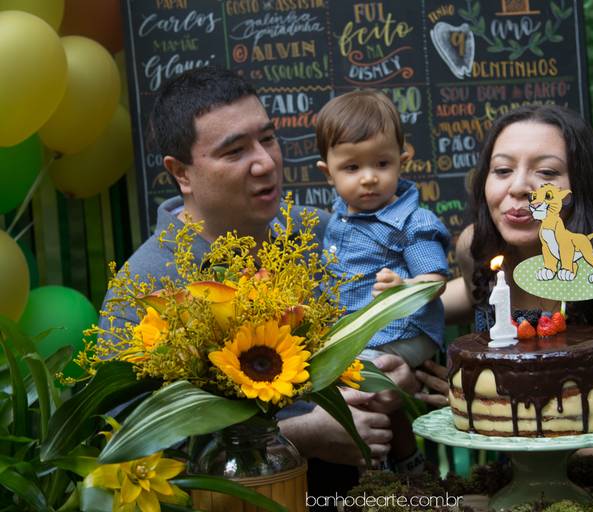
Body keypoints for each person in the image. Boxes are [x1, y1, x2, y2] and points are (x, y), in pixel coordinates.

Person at [99, 66, 395, 504]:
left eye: (268, 138)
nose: (265, 162)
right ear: (181, 172)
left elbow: (387, 301)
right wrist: (306, 434)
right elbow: (126, 447)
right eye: (235, 151)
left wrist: (387, 370)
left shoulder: (319, 234)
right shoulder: (145, 286)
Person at [435, 104, 593, 456]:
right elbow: (469, 295)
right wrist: (385, 308)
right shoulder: (478, 250)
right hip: (513, 483)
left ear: (582, 187)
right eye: (503, 169)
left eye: (546, 172)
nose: (520, 186)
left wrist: (498, 422)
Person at [315, 89, 452, 368]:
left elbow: (435, 281)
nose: (369, 178)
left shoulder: (413, 223)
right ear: (329, 174)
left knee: (356, 375)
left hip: (400, 332)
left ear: (401, 163)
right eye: (352, 167)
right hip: (356, 334)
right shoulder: (340, 216)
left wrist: (406, 287)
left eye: (382, 164)